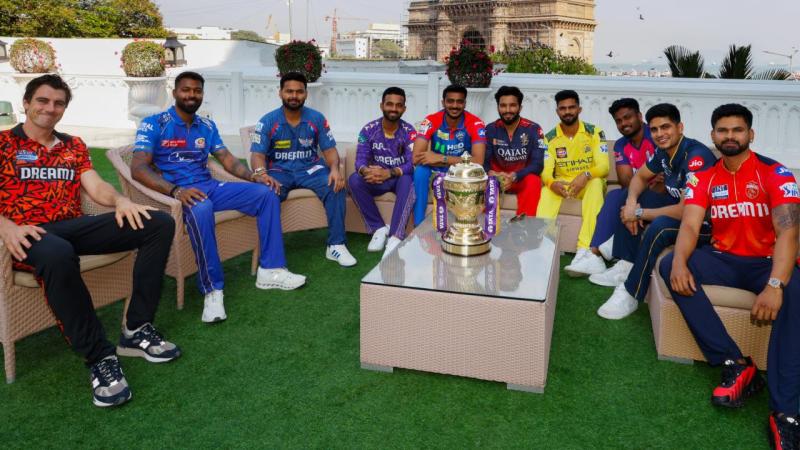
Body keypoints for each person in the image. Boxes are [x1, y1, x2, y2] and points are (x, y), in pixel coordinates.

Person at [0, 74, 180, 407]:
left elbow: (96, 186)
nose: (50, 108)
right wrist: (5, 226)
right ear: (26, 103)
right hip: (24, 235)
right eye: (42, 100)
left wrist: (120, 201)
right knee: (57, 251)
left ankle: (136, 328)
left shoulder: (73, 146)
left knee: (157, 222)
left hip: (72, 226)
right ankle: (99, 356)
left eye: (58, 103)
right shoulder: (4, 143)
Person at [659, 104, 800, 449]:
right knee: (669, 265)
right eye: (723, 131)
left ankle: (786, 413)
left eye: (737, 130)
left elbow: (789, 233)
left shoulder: (775, 172)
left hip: (767, 262)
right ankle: (735, 362)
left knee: (795, 294)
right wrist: (679, 263)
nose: (730, 136)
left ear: (750, 134)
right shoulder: (704, 177)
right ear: (713, 136)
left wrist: (775, 284)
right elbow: (690, 225)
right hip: (724, 258)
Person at [132, 71, 305, 324]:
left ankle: (271, 270)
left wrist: (254, 176)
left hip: (208, 186)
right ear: (175, 92)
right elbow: (138, 168)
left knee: (267, 194)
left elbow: (227, 159)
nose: (192, 95)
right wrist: (175, 191)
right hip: (177, 193)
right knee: (202, 208)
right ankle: (212, 290)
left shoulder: (207, 126)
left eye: (197, 91)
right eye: (186, 90)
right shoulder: (154, 123)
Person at [593, 103, 716, 320]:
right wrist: (631, 204)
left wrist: (638, 214)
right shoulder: (663, 153)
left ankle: (631, 292)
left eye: (666, 127)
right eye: (655, 129)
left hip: (704, 224)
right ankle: (626, 263)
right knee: (630, 196)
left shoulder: (696, 156)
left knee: (659, 226)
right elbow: (639, 177)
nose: (660, 134)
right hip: (683, 214)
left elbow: (686, 211)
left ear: (680, 128)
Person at [250, 72, 356, 267]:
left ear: (306, 94)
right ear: (280, 93)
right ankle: (271, 250)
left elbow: (329, 150)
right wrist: (261, 174)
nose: (294, 96)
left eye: (299, 92)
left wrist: (335, 168)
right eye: (289, 91)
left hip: (311, 169)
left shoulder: (316, 118)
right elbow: (257, 155)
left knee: (335, 185)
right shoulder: (267, 121)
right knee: (267, 194)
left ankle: (336, 245)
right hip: (279, 172)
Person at [567, 98, 659, 276]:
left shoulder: (655, 134)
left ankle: (600, 253)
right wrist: (645, 184)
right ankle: (596, 254)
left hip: (663, 193)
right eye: (619, 120)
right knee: (615, 195)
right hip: (637, 192)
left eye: (628, 117)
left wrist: (641, 185)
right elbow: (625, 180)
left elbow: (664, 178)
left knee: (623, 196)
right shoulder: (620, 145)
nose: (624, 123)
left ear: (639, 116)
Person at [537, 90, 609, 271]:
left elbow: (604, 167)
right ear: (557, 112)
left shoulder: (595, 132)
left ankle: (584, 249)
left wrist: (585, 176)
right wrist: (552, 183)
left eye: (571, 107)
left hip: (588, 183)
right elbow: (545, 171)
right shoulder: (549, 138)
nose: (567, 112)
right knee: (546, 191)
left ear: (579, 109)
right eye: (563, 108)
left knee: (596, 184)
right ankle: (546, 246)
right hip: (564, 186)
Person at [349, 87, 416, 257]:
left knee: (408, 180)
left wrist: (390, 173)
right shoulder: (369, 129)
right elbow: (360, 160)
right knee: (354, 179)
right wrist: (366, 171)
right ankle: (378, 228)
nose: (394, 108)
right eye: (389, 104)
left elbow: (413, 163)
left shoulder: (409, 132)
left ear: (404, 109)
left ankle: (396, 236)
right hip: (376, 179)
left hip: (397, 179)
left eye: (398, 105)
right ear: (382, 105)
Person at [411, 85, 486, 226]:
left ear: (465, 103)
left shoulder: (476, 123)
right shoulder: (430, 121)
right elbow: (416, 158)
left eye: (459, 102)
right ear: (443, 102)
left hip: (461, 173)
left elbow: (478, 161)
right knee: (420, 171)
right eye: (450, 101)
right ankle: (418, 224)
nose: (455, 106)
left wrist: (441, 158)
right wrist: (440, 161)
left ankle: (463, 225)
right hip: (435, 171)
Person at [483, 86, 546, 217]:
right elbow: (484, 162)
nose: (507, 110)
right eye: (503, 106)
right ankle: (487, 225)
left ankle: (525, 226)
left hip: (520, 178)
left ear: (520, 107)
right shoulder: (490, 129)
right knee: (486, 180)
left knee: (533, 180)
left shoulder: (534, 129)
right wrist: (492, 173)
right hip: (497, 178)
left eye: (512, 105)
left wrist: (514, 176)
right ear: (498, 107)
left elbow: (537, 164)